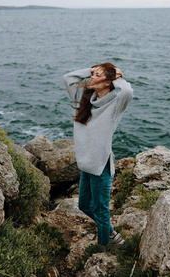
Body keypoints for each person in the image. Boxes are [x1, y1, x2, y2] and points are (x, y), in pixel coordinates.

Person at [63, 62, 133, 246]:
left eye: (97, 75)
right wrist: (93, 70)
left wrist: (118, 77)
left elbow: (127, 92)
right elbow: (68, 78)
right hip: (86, 164)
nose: (92, 77)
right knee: (84, 206)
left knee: (101, 212)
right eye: (92, 74)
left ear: (109, 81)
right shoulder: (84, 98)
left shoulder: (115, 104)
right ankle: (109, 231)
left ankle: (103, 250)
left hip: (101, 166)